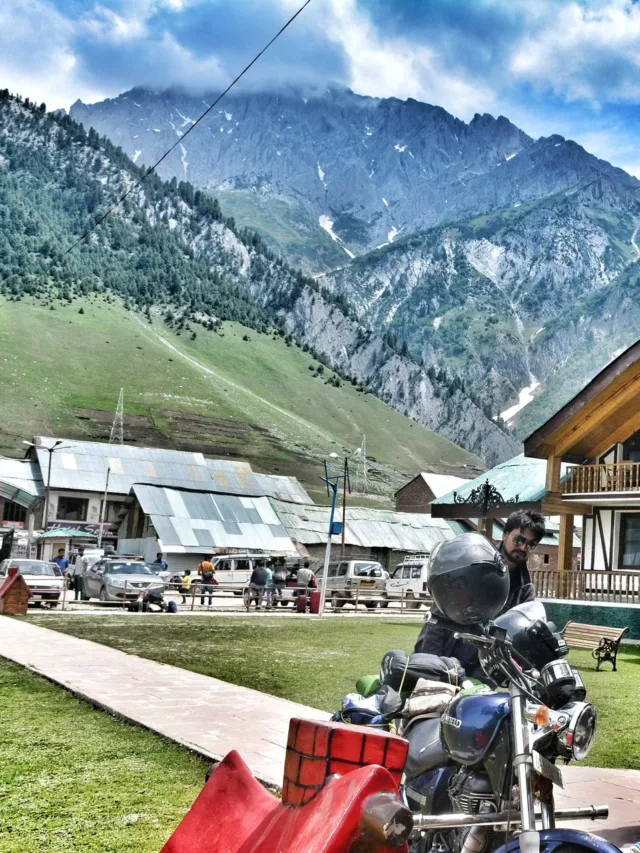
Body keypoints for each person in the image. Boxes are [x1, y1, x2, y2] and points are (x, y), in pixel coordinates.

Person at [414, 510, 545, 676]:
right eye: (519, 540)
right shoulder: (473, 563)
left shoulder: (525, 590)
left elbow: (517, 639)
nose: (523, 547)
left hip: (481, 669)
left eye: (531, 544)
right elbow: (439, 617)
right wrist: (430, 664)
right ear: (505, 534)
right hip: (442, 653)